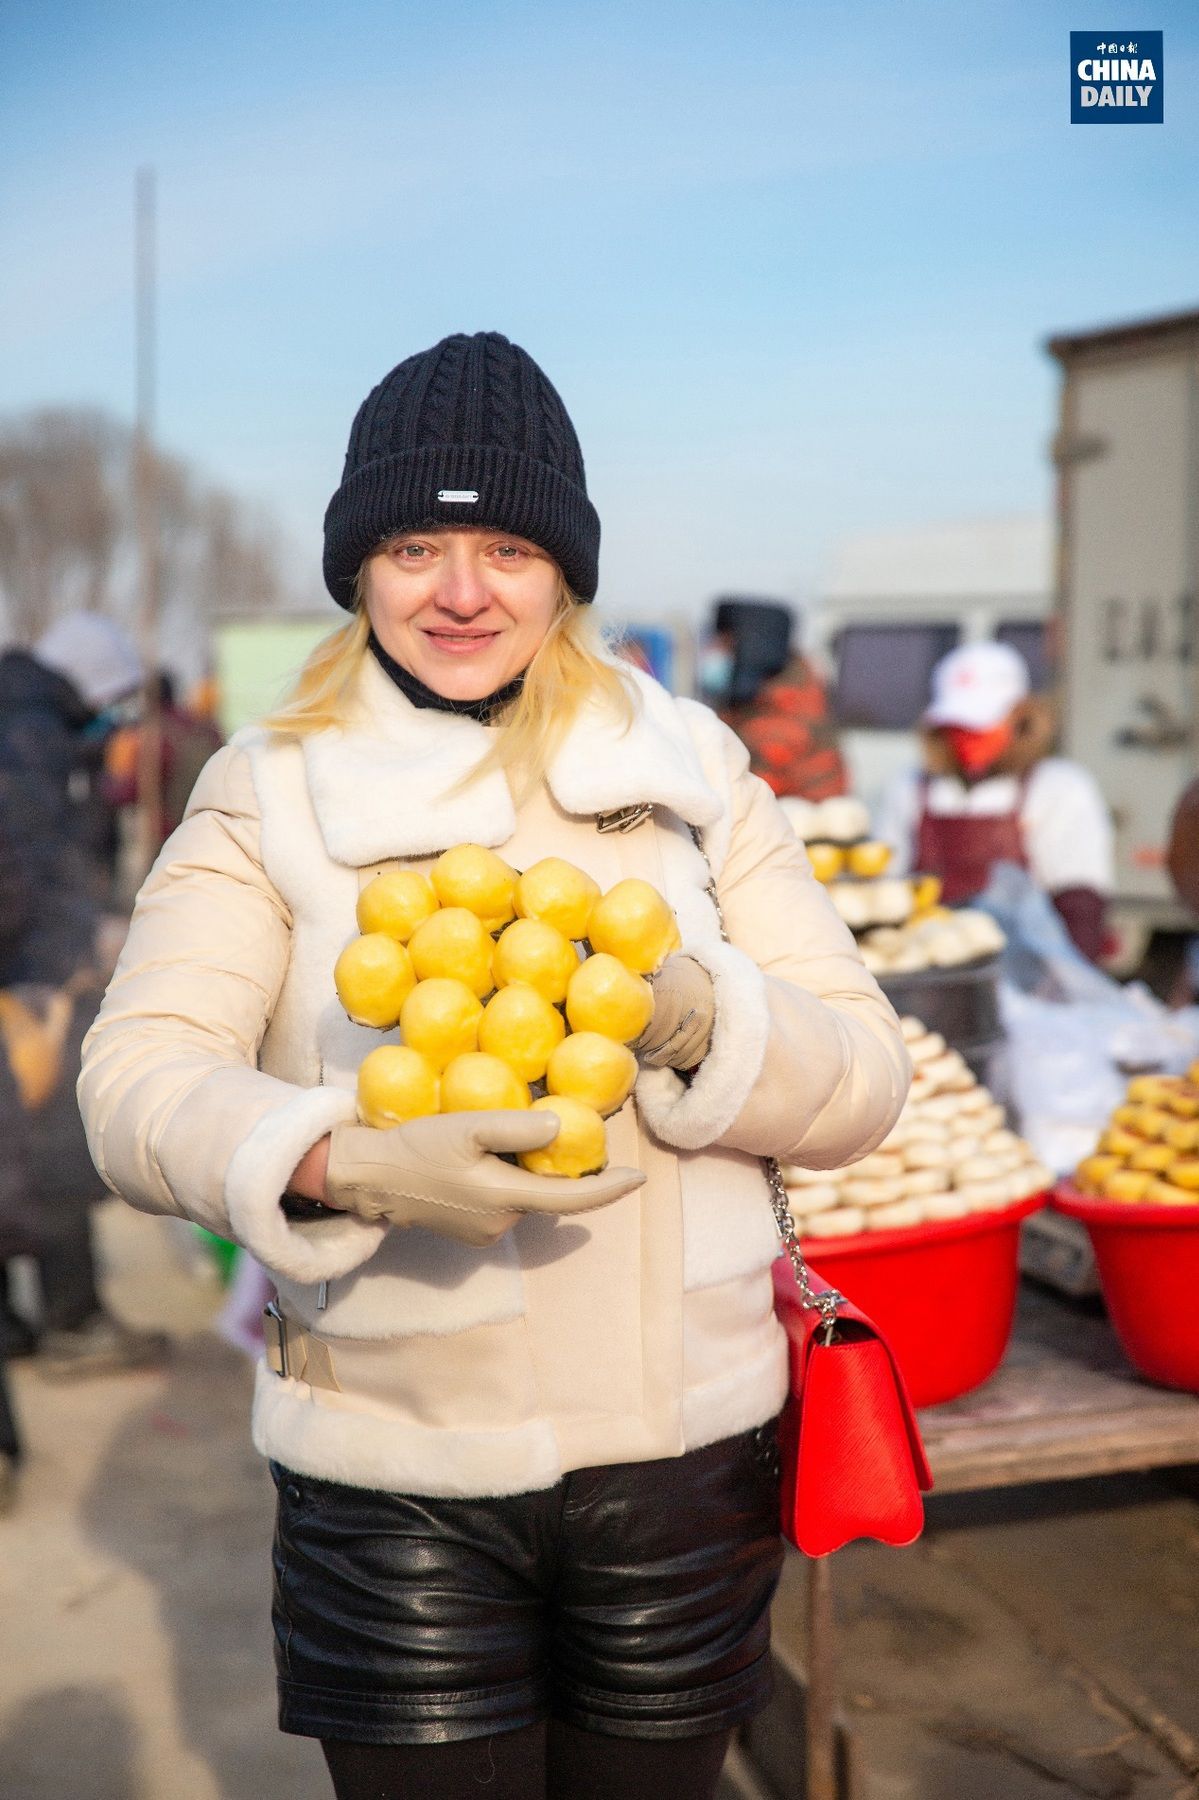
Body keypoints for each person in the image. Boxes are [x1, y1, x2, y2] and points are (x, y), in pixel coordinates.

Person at [79, 331, 909, 1800]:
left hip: (684, 1470)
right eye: (415, 544)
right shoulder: (267, 784)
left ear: (564, 570)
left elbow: (864, 1078)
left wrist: (698, 1020)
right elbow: (136, 1078)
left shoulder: (690, 768)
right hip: (396, 1487)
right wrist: (333, 1157)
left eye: (507, 548)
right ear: (358, 565)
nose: (461, 593)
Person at [0, 612, 166, 1377]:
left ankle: (16, 1324)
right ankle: (74, 1317)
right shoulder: (33, 732)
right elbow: (31, 859)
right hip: (31, 981)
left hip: (26, 963)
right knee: (56, 1148)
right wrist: (60, 961)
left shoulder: (24, 712)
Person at [876, 640, 1114, 961]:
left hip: (1029, 971)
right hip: (933, 967)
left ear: (1021, 718)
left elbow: (1079, 903)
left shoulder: (1058, 787)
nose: (966, 740)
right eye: (956, 728)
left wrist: (1067, 981)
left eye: (979, 727)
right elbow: (884, 884)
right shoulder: (911, 787)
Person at [698, 597, 848, 801]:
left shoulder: (784, 722)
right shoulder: (755, 705)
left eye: (725, 646)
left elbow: (739, 797)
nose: (714, 653)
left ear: (753, 651)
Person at [104, 669, 226, 849]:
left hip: (171, 829)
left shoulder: (154, 735)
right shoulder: (202, 725)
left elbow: (136, 787)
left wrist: (107, 788)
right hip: (210, 823)